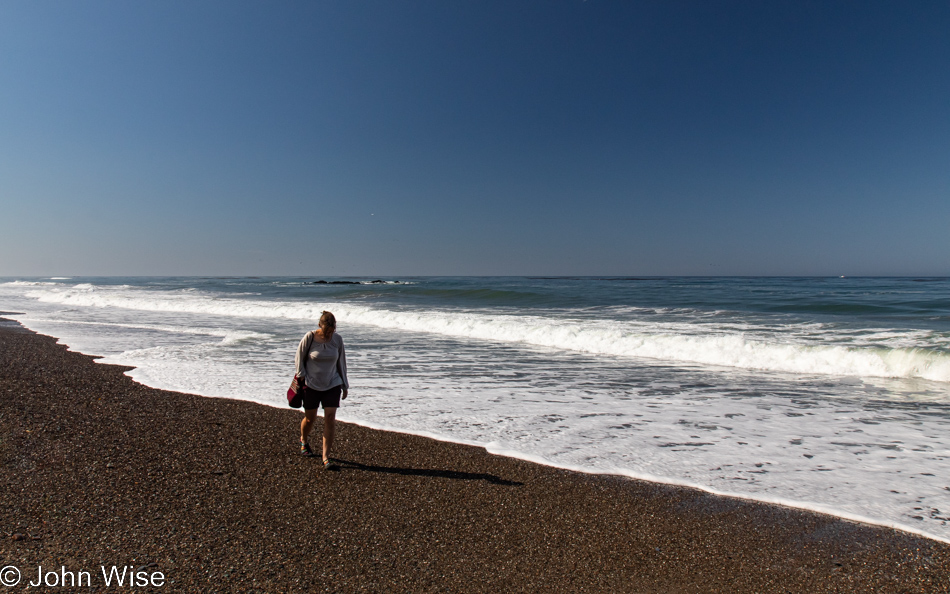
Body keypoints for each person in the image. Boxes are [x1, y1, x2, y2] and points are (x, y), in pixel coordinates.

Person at [295, 311, 349, 469]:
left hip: (332, 383)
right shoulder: (310, 337)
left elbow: (342, 363)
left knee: (330, 418)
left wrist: (344, 385)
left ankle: (326, 458)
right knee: (310, 418)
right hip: (311, 384)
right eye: (326, 331)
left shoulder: (337, 340)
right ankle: (304, 440)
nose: (328, 334)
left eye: (331, 331)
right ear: (320, 325)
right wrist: (302, 376)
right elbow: (299, 358)